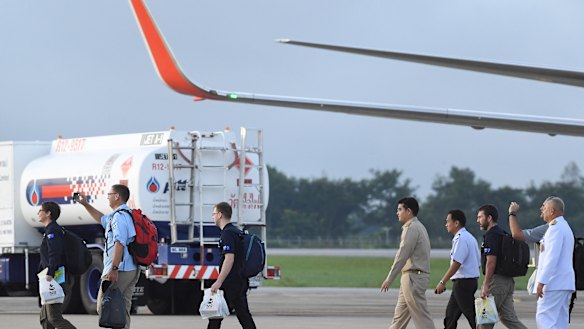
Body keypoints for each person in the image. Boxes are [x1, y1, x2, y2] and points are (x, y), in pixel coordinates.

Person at [77, 185, 139, 329]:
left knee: (104, 306)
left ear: (117, 196)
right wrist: (86, 204)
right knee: (123, 308)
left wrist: (114, 268)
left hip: (120, 268)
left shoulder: (119, 217)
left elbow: (119, 243)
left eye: (109, 194)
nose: (108, 197)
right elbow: (101, 219)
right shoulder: (122, 215)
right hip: (131, 268)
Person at [380, 197, 435, 329]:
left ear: (409, 211)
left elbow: (402, 255)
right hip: (410, 277)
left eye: (400, 209)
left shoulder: (411, 228)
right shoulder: (419, 226)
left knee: (422, 317)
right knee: (399, 319)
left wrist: (389, 278)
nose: (397, 213)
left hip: (413, 278)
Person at [476, 204, 527, 329]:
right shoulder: (503, 233)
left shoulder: (491, 235)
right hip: (508, 282)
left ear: (489, 218)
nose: (478, 220)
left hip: (497, 282)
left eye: (480, 217)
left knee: (485, 321)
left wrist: (486, 284)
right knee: (508, 319)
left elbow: (491, 262)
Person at [209, 201, 256, 329]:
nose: (212, 217)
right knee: (242, 315)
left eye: (213, 214)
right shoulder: (236, 231)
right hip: (239, 280)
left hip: (232, 282)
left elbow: (229, 259)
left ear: (220, 215)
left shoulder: (227, 234)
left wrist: (218, 282)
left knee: (216, 316)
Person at [435, 209, 481, 329]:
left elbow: (456, 263)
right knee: (451, 316)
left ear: (456, 223)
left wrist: (442, 282)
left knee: (472, 316)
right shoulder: (470, 237)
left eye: (448, 221)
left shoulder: (460, 239)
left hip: (463, 284)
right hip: (468, 282)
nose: (446, 224)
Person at [534, 197, 574, 328]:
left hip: (553, 283)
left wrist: (541, 282)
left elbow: (551, 258)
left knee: (545, 319)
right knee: (559, 322)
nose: (542, 210)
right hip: (562, 283)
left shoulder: (555, 229)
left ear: (552, 211)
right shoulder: (564, 226)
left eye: (544, 208)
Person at [38, 201, 76, 329]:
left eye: (40, 210)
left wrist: (50, 273)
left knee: (54, 318)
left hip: (56, 278)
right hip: (52, 277)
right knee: (46, 318)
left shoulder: (53, 230)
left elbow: (55, 253)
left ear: (48, 213)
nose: (38, 213)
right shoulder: (50, 230)